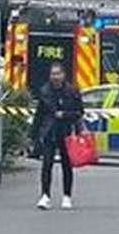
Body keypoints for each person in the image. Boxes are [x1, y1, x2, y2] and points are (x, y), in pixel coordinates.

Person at [29, 63, 84, 210]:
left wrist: (65, 115)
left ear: (63, 75)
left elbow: (79, 112)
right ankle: (45, 196)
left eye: (58, 74)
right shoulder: (45, 91)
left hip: (66, 132)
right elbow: (39, 115)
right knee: (47, 164)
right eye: (53, 74)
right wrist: (33, 135)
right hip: (49, 132)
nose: (55, 77)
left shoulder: (72, 92)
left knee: (67, 165)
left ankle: (67, 196)